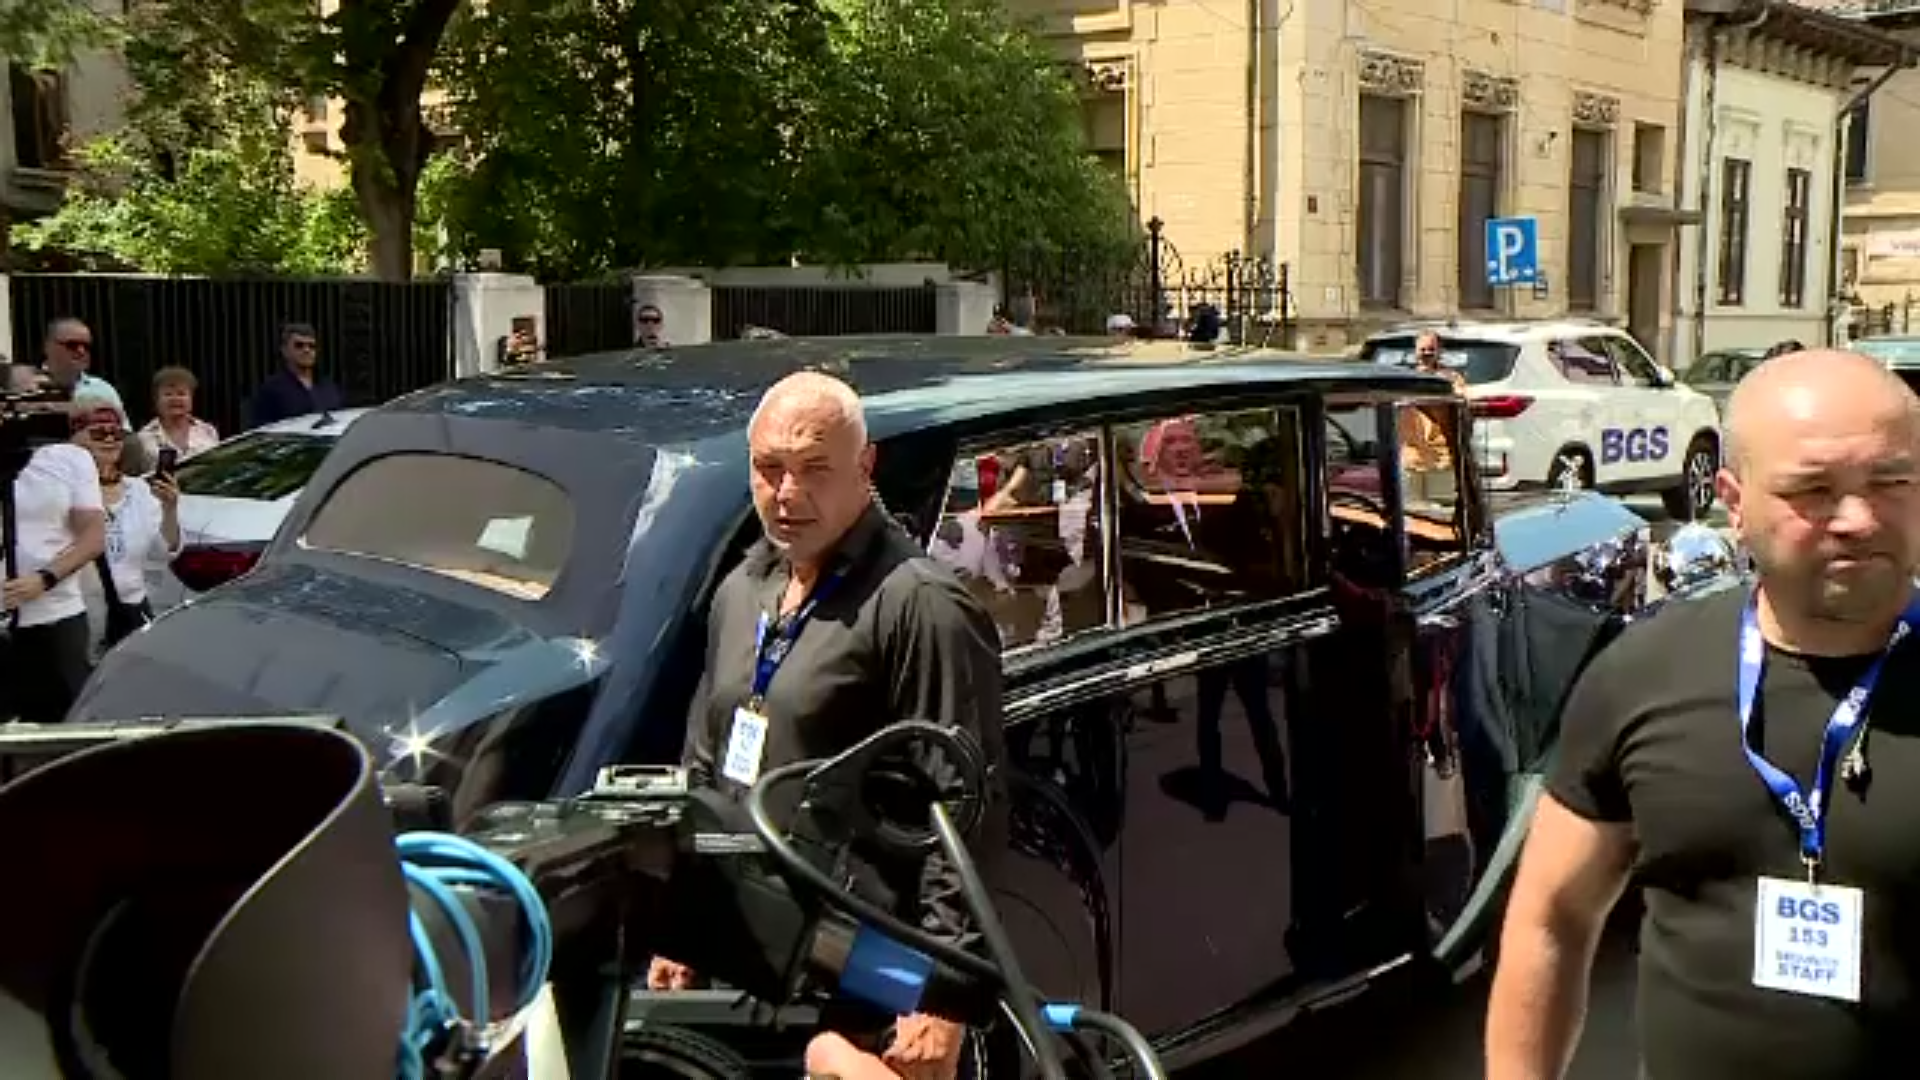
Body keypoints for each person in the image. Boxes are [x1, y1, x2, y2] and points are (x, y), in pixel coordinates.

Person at [1485, 348, 1920, 1080]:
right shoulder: (1643, 673)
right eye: (1813, 489)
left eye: (1892, 481)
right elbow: (1552, 918)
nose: (1858, 517)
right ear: (1733, 501)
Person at [653, 371, 1006, 1080]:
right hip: (752, 956)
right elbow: (705, 763)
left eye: (815, 469)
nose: (787, 493)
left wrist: (944, 998)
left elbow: (966, 804)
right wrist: (680, 923)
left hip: (869, 975)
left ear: (865, 466)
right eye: (768, 469)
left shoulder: (920, 604)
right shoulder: (742, 591)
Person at [1, 393, 109, 722]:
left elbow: (93, 536)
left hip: (55, 617)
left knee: (63, 727)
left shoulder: (67, 458)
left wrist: (45, 578)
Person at [71, 386, 181, 654]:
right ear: (76, 438)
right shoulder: (61, 492)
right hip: (77, 623)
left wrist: (169, 509)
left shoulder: (139, 490)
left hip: (130, 617)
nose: (110, 439)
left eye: (116, 432)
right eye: (99, 432)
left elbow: (161, 553)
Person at [247, 322, 343, 429]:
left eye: (312, 346)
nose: (306, 350)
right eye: (299, 345)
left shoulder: (328, 385)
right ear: (285, 350)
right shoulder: (272, 389)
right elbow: (261, 430)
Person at [136, 366, 220, 463]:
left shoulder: (208, 430)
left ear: (191, 399)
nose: (175, 399)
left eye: (181, 394)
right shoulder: (143, 438)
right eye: (168, 394)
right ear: (157, 401)